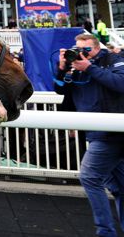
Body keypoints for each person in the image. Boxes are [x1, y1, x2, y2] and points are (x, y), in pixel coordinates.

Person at [55, 33, 124, 237]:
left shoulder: (113, 59)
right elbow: (60, 90)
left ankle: (105, 232)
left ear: (96, 48)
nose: (81, 54)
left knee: (90, 177)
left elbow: (120, 84)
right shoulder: (76, 66)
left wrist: (90, 68)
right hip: (94, 132)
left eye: (85, 50)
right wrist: (62, 69)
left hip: (110, 132)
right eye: (78, 49)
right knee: (119, 186)